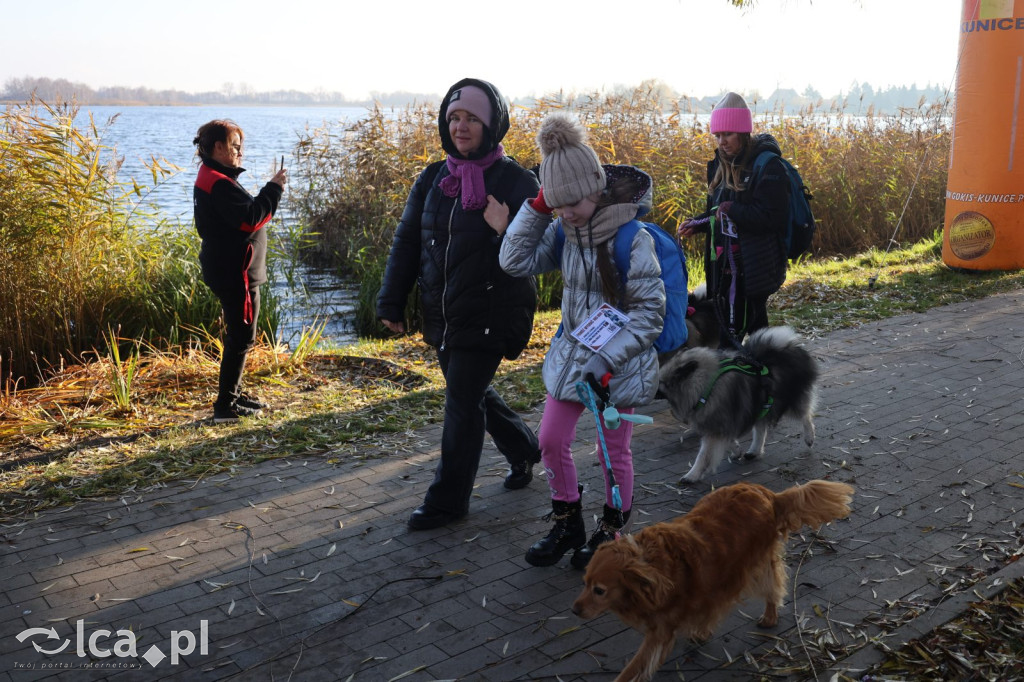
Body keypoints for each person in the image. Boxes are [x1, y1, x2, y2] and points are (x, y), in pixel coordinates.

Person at [499, 112, 666, 569]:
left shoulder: (634, 239)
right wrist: (536, 208)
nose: (567, 211)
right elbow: (513, 262)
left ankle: (611, 530)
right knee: (551, 441)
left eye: (574, 200)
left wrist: (607, 361)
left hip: (618, 367)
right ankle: (567, 519)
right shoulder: (562, 231)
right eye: (559, 203)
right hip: (572, 359)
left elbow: (650, 315)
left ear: (597, 186)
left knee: (612, 452)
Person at [376, 78, 542, 531]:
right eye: (454, 118)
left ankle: (448, 502)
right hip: (446, 314)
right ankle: (526, 447)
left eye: (471, 118)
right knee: (472, 393)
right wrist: (392, 298)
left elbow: (537, 254)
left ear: (492, 125)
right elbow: (407, 240)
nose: (461, 126)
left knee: (462, 403)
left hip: (494, 311)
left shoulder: (516, 180)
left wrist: (506, 227)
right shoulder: (433, 178)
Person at [192, 120, 287, 423]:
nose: (240, 152)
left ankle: (233, 394)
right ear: (218, 147)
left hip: (232, 268)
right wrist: (273, 188)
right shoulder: (217, 182)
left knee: (240, 335)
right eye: (234, 146)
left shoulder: (215, 176)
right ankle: (225, 407)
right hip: (236, 272)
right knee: (242, 336)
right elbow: (250, 219)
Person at [678, 92, 789, 346]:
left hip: (753, 267)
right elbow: (719, 212)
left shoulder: (767, 166)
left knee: (731, 339)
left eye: (727, 134)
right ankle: (769, 375)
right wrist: (698, 224)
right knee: (759, 331)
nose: (722, 141)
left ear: (743, 132)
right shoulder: (719, 166)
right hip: (725, 270)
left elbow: (771, 218)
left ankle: (747, 377)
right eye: (717, 136)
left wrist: (732, 209)